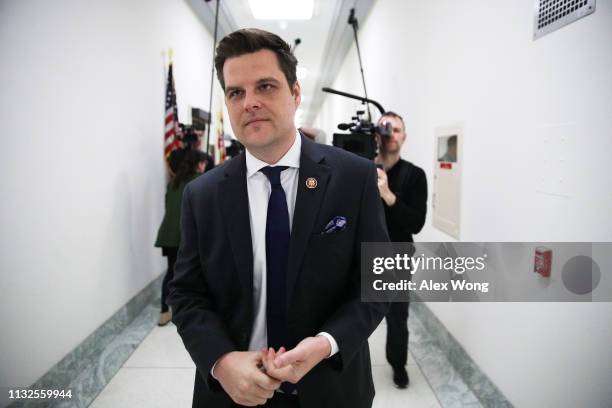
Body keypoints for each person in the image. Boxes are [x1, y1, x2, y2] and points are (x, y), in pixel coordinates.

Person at [168, 28, 390, 408]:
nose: (250, 102)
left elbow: (380, 279)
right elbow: (187, 294)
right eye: (236, 92)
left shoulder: (353, 178)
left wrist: (327, 344)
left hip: (331, 386)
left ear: (296, 93)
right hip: (232, 393)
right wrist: (221, 362)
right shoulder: (201, 196)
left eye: (266, 86)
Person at [375, 111, 427, 388]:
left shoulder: (415, 175)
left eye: (396, 130)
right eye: (385, 129)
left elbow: (416, 223)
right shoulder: (361, 170)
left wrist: (388, 195)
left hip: (397, 257)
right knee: (353, 313)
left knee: (397, 317)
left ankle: (398, 365)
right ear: (376, 135)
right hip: (361, 255)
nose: (390, 135)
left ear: (404, 137)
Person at [155, 149, 209, 326]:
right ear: (198, 164)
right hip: (184, 236)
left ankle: (164, 311)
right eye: (203, 163)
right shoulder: (199, 182)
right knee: (192, 274)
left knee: (171, 272)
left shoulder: (174, 182)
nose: (205, 167)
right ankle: (186, 311)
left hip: (168, 235)